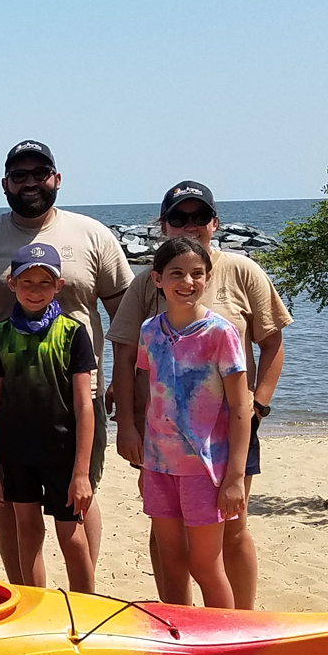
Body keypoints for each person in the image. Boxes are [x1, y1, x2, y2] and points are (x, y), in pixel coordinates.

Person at [0, 141, 132, 585]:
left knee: (80, 495)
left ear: (57, 179)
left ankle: (82, 597)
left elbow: (128, 321)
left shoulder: (93, 235)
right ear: (5, 183)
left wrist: (128, 385)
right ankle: (25, 594)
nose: (30, 182)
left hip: (77, 400)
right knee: (9, 500)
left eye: (39, 173)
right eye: (20, 174)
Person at [110, 181, 291, 609]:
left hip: (229, 431)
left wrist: (258, 404)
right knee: (168, 537)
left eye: (199, 216)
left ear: (215, 222)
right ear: (164, 225)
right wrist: (129, 426)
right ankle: (181, 620)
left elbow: (272, 341)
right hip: (164, 444)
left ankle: (241, 622)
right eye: (179, 217)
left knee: (232, 528)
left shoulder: (243, 270)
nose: (190, 225)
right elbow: (127, 357)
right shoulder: (145, 288)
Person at [136, 237, 251, 609]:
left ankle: (227, 639)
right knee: (171, 563)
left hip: (204, 470)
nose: (187, 282)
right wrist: (143, 457)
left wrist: (234, 477)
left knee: (204, 565)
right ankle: (180, 635)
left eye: (197, 274)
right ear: (157, 279)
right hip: (158, 465)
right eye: (177, 274)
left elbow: (239, 408)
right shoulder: (150, 330)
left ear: (208, 278)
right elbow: (147, 394)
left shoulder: (220, 333)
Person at [0, 244, 96, 592]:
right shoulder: (0, 335)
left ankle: (87, 609)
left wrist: (81, 472)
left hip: (62, 453)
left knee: (72, 538)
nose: (34, 290)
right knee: (27, 533)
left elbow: (84, 406)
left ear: (58, 285)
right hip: (17, 454)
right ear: (11, 283)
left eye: (44, 283)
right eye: (26, 281)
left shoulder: (73, 333)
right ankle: (37, 606)